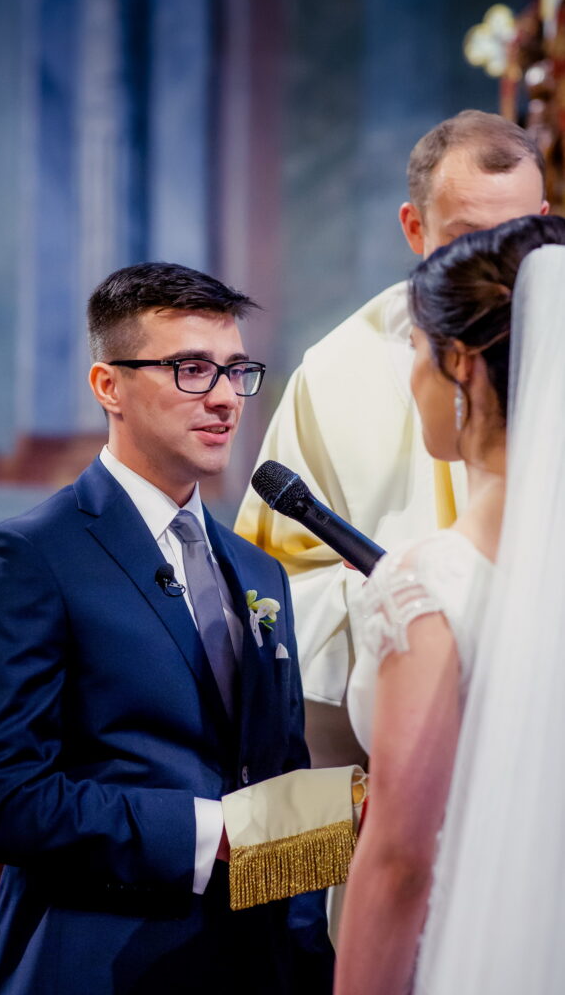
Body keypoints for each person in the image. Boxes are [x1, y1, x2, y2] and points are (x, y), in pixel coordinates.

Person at [0, 263, 334, 995]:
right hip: (102, 964)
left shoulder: (258, 571)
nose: (224, 397)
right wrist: (209, 833)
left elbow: (279, 781)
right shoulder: (29, 556)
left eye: (236, 370)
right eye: (191, 369)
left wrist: (311, 956)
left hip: (258, 967)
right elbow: (1, 800)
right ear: (108, 386)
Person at [235, 111, 549, 769]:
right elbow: (268, 593)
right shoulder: (336, 374)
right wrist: (400, 597)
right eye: (467, 239)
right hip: (396, 729)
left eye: (517, 238)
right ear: (414, 228)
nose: (495, 272)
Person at [333, 213, 565, 994]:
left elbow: (400, 862)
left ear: (460, 365)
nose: (412, 378)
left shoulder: (429, 583)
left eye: (415, 350)